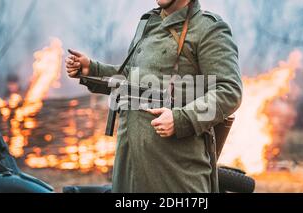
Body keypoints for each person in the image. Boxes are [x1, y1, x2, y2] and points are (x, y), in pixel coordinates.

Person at [65, 0, 242, 193]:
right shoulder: (149, 22)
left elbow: (229, 90)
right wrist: (92, 68)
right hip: (130, 158)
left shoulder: (208, 28)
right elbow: (131, 79)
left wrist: (180, 118)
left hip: (174, 168)